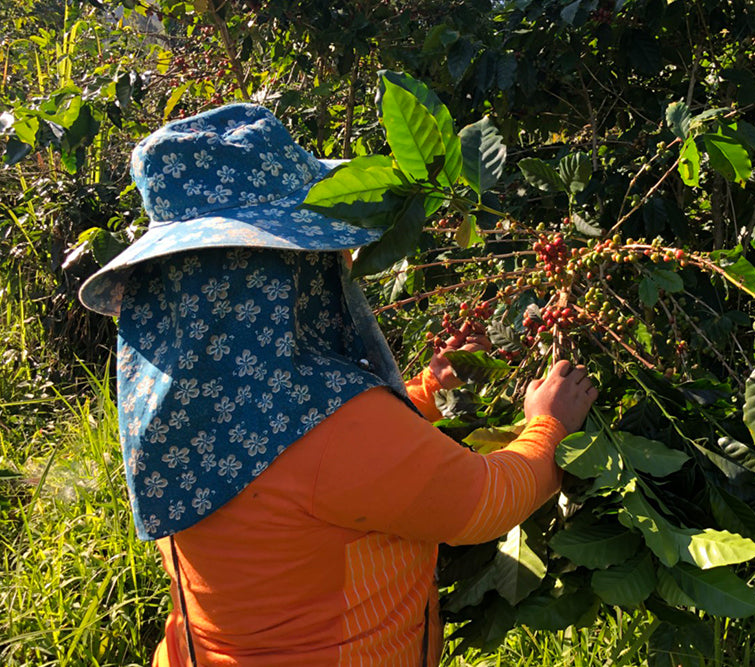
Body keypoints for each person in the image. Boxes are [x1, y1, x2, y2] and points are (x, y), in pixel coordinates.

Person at [78, 103, 597, 666]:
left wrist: (426, 392)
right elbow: (481, 501)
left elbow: (318, 473)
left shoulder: (180, 402)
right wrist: (550, 426)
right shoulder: (331, 421)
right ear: (282, 272)